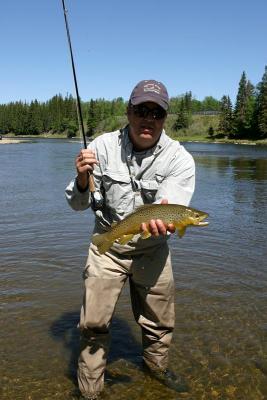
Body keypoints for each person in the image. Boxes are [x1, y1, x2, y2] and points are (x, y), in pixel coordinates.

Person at [65, 80, 195, 400]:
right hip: (107, 244)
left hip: (152, 249)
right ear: (128, 111)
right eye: (141, 110)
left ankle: (156, 370)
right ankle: (90, 391)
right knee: (93, 324)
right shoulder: (102, 146)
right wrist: (83, 178)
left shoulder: (180, 159)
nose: (148, 118)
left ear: (165, 118)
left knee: (159, 322)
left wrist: (164, 220)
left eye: (157, 112)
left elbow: (171, 206)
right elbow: (77, 204)